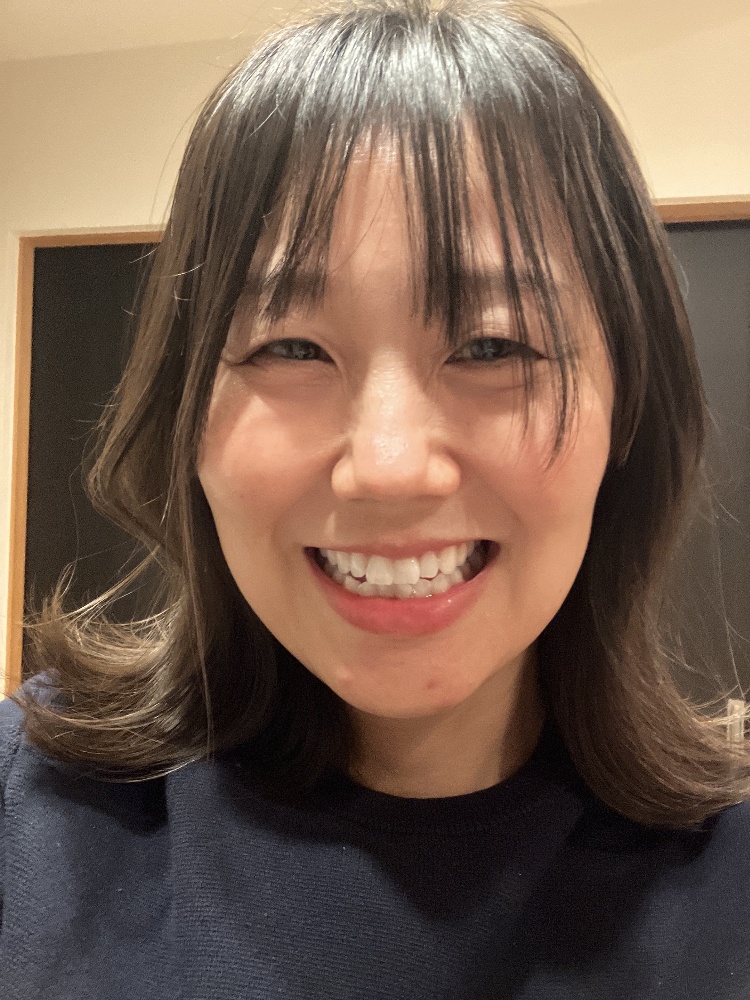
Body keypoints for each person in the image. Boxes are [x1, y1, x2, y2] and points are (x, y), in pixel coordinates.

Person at [2, 1, 750, 996]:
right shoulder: (28, 813)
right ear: (186, 410)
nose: (389, 466)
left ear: (630, 407)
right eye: (290, 347)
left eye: (493, 345)